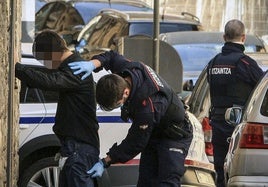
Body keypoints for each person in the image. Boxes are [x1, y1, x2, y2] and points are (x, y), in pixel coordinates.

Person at [68, 50, 193, 186]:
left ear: (125, 92)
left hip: (174, 136)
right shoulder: (127, 71)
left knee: (167, 182)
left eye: (118, 104)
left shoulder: (148, 105)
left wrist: (105, 161)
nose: (119, 107)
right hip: (153, 134)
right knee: (146, 181)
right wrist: (93, 64)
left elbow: (134, 143)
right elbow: (111, 56)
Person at [15, 30, 99, 187]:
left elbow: (51, 82)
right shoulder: (69, 66)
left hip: (79, 150)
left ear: (51, 54)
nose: (43, 64)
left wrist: (18, 69)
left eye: (42, 60)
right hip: (73, 149)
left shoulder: (76, 68)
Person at [207, 19, 264, 187]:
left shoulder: (214, 63)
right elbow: (261, 88)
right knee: (237, 172)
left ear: (224, 37)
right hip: (238, 126)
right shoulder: (246, 63)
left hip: (217, 124)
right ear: (244, 37)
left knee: (220, 172)